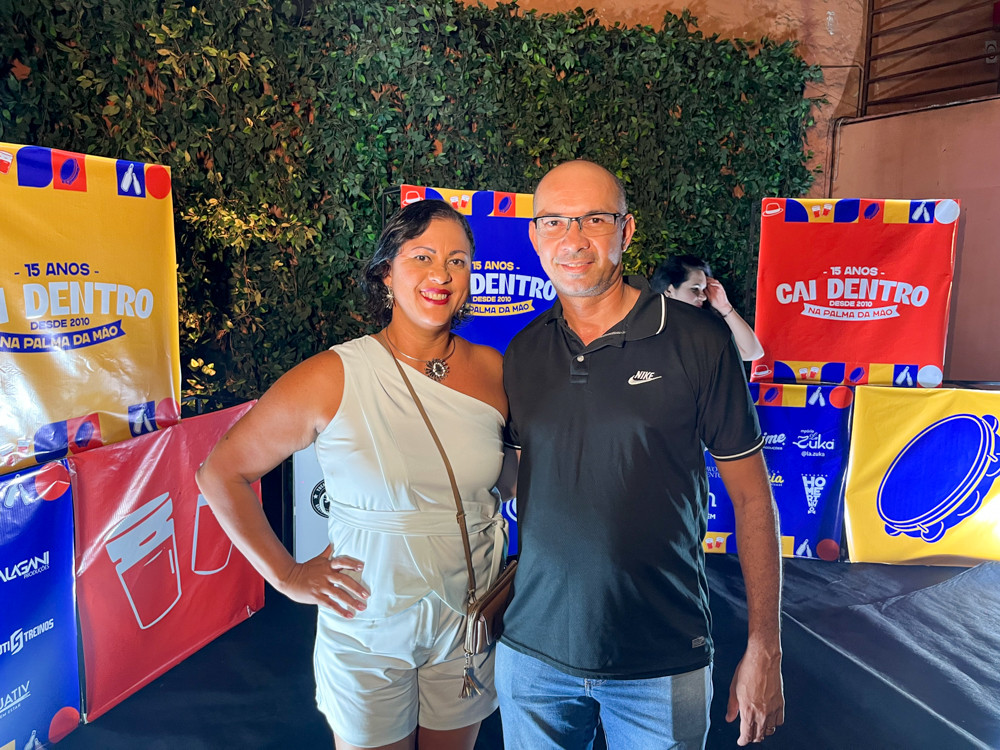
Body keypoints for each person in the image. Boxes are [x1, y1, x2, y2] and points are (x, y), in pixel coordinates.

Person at [196, 199, 508, 750]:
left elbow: (508, 482)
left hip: (468, 620)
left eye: (457, 261)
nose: (441, 275)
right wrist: (286, 576)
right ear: (386, 272)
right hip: (369, 623)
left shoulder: (494, 370)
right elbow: (221, 472)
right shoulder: (334, 374)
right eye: (422, 257)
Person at [495, 160, 783, 749]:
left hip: (661, 659)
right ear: (535, 237)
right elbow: (516, 478)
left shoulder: (698, 340)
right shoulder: (523, 352)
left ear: (626, 231)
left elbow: (754, 499)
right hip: (532, 657)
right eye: (554, 222)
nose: (573, 239)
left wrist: (765, 646)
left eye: (594, 219)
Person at [651, 255, 765, 361]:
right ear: (669, 290)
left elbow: (752, 352)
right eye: (695, 289)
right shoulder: (649, 328)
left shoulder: (703, 330)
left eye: (704, 289)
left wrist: (725, 307)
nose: (703, 296)